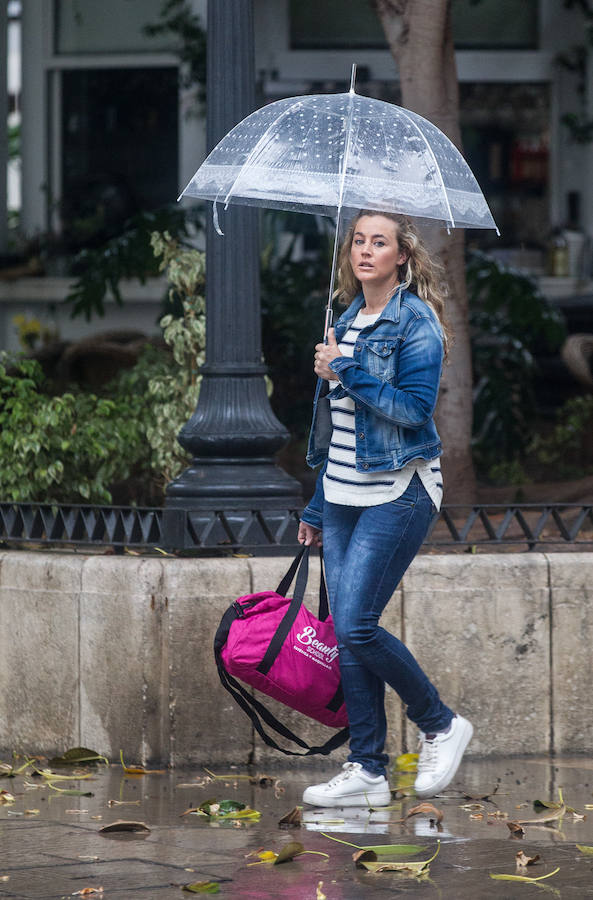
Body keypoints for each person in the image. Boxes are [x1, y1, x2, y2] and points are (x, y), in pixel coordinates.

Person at [297, 210, 472, 807]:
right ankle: (368, 770)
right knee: (349, 635)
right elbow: (337, 431)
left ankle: (441, 724)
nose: (366, 250)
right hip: (343, 494)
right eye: (358, 241)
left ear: (402, 256)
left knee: (355, 625)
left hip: (399, 491)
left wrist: (344, 369)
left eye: (380, 242)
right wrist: (317, 506)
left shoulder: (415, 321)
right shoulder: (346, 318)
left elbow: (414, 410)